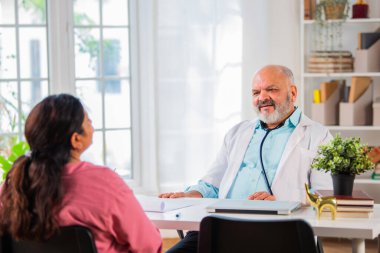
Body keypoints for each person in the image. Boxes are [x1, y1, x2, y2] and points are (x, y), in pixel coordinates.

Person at [159, 65, 333, 253]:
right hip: (221, 229)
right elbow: (212, 185)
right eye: (256, 92)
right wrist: (189, 194)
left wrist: (284, 201)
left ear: (292, 92)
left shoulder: (318, 136)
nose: (262, 97)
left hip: (279, 231)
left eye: (272, 89)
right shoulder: (237, 132)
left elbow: (325, 195)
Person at [0, 94, 162, 253]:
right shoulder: (104, 183)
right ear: (76, 140)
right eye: (88, 120)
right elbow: (150, 246)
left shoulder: (13, 184)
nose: (92, 125)